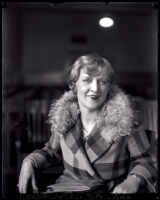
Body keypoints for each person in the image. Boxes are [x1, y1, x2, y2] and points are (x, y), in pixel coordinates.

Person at [18, 53, 157, 194]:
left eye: (102, 81)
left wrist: (132, 181)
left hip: (111, 191)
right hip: (68, 188)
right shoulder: (63, 120)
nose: (95, 88)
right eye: (87, 80)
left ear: (109, 87)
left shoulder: (125, 123)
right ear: (73, 85)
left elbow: (146, 162)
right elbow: (51, 152)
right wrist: (30, 161)